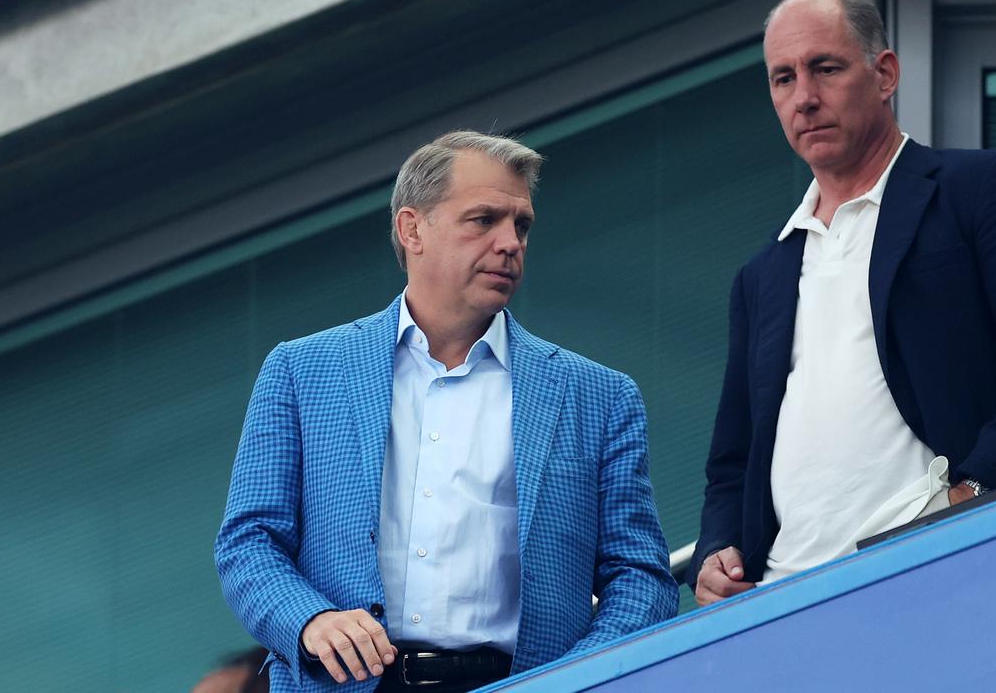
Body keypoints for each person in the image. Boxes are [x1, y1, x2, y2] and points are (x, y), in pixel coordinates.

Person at [216, 131, 677, 692]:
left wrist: (578, 678)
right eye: (483, 219)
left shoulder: (599, 397)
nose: (510, 242)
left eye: (521, 225)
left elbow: (642, 578)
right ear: (413, 229)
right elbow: (249, 542)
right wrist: (310, 620)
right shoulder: (302, 371)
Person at [689, 0, 996, 605]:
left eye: (826, 67)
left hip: (947, 565)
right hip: (783, 603)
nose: (805, 97)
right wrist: (719, 547)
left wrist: (978, 494)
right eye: (783, 78)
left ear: (885, 74)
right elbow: (733, 456)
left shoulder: (982, 188)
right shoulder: (762, 274)